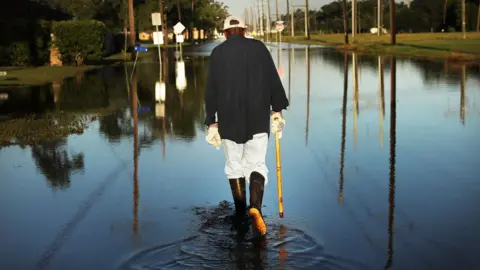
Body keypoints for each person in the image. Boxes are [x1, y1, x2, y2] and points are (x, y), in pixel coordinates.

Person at [204, 15, 289, 237]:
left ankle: (241, 213)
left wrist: (211, 121)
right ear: (244, 30)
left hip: (228, 120)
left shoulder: (217, 53)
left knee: (234, 166)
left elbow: (211, 90)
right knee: (257, 164)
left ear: (225, 33)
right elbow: (272, 79)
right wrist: (277, 109)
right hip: (257, 119)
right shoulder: (259, 48)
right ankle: (256, 208)